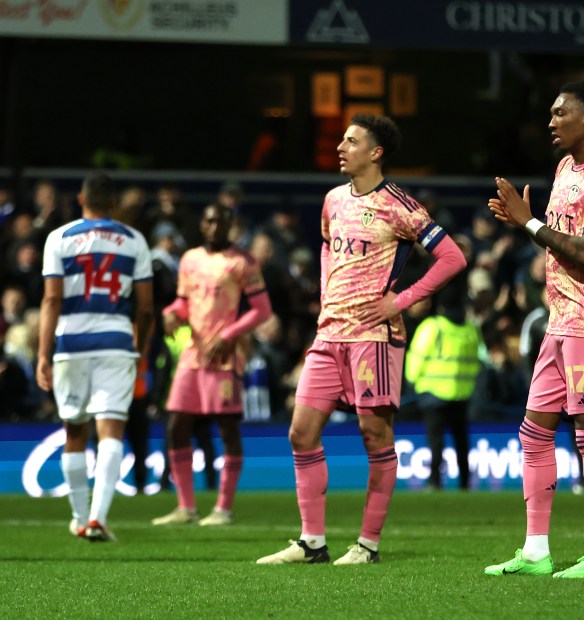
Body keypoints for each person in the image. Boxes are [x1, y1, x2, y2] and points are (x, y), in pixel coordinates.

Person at [256, 114, 466, 566]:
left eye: (351, 141)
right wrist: (327, 299)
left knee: (374, 435)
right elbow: (329, 247)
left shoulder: (400, 205)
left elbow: (452, 258)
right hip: (329, 334)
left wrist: (401, 300)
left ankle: (367, 545)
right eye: (341, 140)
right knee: (301, 433)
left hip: (374, 337)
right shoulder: (332, 200)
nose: (340, 147)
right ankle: (312, 543)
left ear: (376, 152)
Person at [483, 81, 584, 579]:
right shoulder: (566, 167)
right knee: (534, 430)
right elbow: (560, 237)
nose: (550, 121)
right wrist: (523, 223)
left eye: (559, 112)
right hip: (559, 320)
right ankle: (536, 549)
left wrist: (529, 224)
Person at [37, 172, 154, 541]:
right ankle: (98, 518)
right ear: (113, 203)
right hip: (116, 341)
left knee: (74, 429)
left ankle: (77, 516)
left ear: (80, 198)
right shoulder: (134, 240)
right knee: (111, 431)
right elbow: (147, 307)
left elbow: (52, 299)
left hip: (71, 342)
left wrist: (43, 353)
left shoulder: (59, 237)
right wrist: (141, 346)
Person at [152, 203, 272, 527]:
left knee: (228, 429)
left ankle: (223, 508)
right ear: (201, 225)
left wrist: (230, 334)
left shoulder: (242, 261)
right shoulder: (190, 259)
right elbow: (184, 301)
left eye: (221, 220)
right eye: (209, 220)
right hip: (193, 353)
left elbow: (262, 309)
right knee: (176, 425)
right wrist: (171, 313)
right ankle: (186, 507)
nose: (214, 225)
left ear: (230, 224)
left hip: (224, 358)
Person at [405, 282, 481, 490]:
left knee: (436, 442)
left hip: (433, 395)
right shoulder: (470, 329)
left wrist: (412, 381)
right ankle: (465, 483)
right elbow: (476, 361)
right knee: (461, 442)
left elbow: (416, 358)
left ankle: (434, 482)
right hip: (462, 394)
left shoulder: (433, 327)